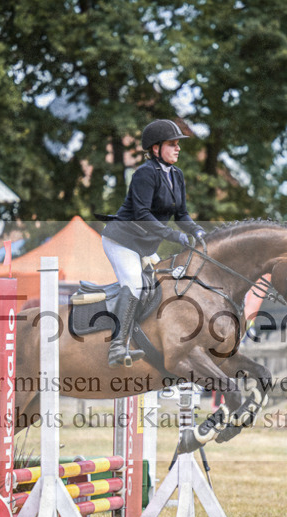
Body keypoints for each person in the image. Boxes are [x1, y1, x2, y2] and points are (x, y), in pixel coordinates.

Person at [101, 118, 207, 367]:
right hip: (122, 241)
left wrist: (198, 231)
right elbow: (142, 214)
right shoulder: (145, 174)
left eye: (178, 144)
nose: (178, 148)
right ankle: (117, 345)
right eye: (172, 144)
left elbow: (181, 215)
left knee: (167, 287)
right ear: (156, 148)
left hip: (146, 247)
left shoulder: (176, 175)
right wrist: (174, 236)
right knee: (135, 285)